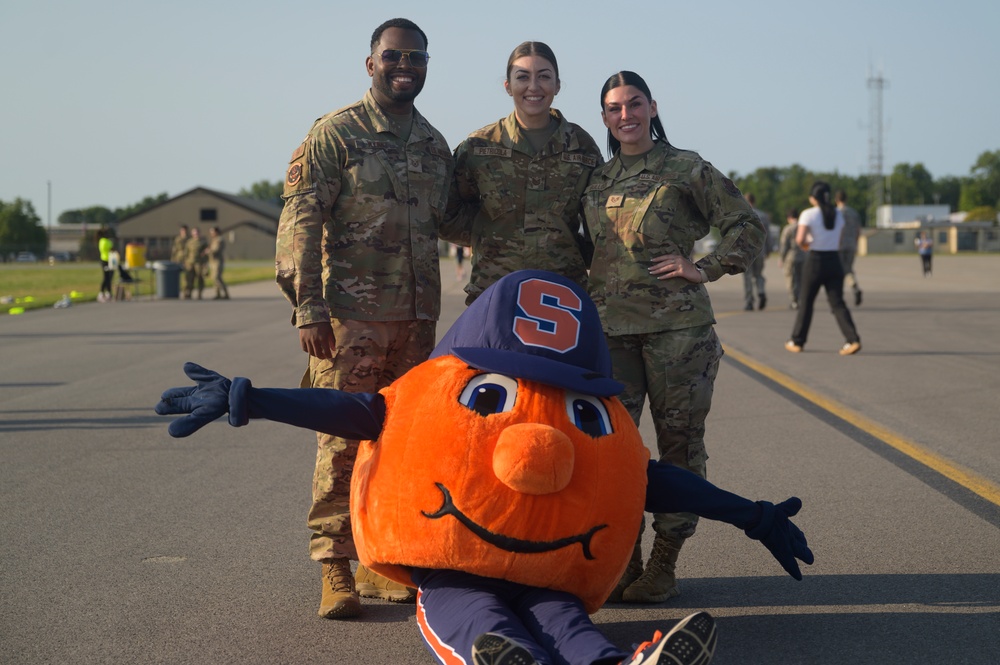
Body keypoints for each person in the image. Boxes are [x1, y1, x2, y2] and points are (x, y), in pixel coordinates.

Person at [274, 17, 453, 620]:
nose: (407, 66)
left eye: (418, 58)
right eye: (395, 56)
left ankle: (382, 562)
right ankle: (334, 567)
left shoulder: (433, 145)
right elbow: (301, 220)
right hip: (349, 318)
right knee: (343, 437)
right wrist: (308, 306)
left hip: (415, 319)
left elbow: (454, 222)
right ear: (371, 62)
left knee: (400, 444)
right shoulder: (336, 134)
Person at [583, 71, 767, 604]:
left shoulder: (685, 167)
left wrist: (703, 267)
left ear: (652, 107)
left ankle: (665, 561)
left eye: (634, 104)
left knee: (678, 447)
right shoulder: (598, 179)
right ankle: (625, 557)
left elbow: (745, 227)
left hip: (677, 333)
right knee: (613, 451)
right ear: (604, 117)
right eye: (614, 108)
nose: (625, 115)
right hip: (612, 334)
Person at [441, 41, 602, 305]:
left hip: (563, 297)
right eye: (522, 77)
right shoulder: (480, 147)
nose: (533, 87)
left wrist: (570, 252)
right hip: (495, 294)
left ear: (558, 85)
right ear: (508, 86)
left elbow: (599, 222)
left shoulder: (582, 147)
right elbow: (447, 213)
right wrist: (489, 235)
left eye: (544, 77)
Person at [785, 181, 862, 356]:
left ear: (814, 198)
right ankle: (852, 339)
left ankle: (797, 341)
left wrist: (808, 246)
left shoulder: (808, 214)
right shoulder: (838, 214)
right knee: (837, 303)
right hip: (834, 260)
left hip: (815, 260)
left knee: (806, 302)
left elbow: (800, 239)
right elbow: (840, 239)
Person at [742, 192, 772, 311]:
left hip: (746, 251)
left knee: (747, 277)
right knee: (758, 275)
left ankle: (749, 301)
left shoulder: (742, 215)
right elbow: (768, 235)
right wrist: (769, 249)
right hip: (760, 250)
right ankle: (761, 291)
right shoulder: (763, 216)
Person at [835, 189, 863, 305]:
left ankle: (841, 293)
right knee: (848, 268)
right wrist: (855, 243)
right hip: (851, 245)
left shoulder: (836, 213)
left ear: (836, 200)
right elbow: (858, 230)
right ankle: (854, 286)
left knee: (840, 270)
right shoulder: (853, 213)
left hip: (839, 245)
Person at [778, 208, 804, 309]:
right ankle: (801, 299)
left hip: (791, 256)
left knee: (790, 279)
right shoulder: (804, 227)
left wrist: (781, 258)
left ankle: (794, 300)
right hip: (803, 256)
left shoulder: (788, 229)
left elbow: (784, 245)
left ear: (789, 218)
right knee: (801, 279)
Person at [182, 227, 207, 299]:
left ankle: (200, 294)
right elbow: (186, 253)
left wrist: (205, 263)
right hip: (190, 263)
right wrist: (185, 262)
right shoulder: (189, 242)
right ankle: (188, 293)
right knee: (189, 279)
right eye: (194, 233)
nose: (196, 234)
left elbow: (206, 252)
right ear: (192, 233)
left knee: (200, 278)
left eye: (197, 233)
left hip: (199, 263)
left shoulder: (203, 242)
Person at [206, 226, 229, 300]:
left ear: (216, 232)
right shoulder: (214, 240)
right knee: (214, 278)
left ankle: (225, 294)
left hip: (217, 261)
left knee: (217, 277)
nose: (211, 234)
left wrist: (208, 251)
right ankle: (218, 294)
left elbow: (216, 250)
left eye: (212, 232)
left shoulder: (219, 240)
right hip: (212, 261)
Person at [97, 229, 114, 302]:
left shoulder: (101, 241)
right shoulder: (105, 241)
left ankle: (108, 292)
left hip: (108, 260)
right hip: (106, 260)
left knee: (109, 278)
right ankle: (102, 292)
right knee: (107, 277)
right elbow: (111, 249)